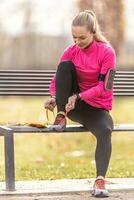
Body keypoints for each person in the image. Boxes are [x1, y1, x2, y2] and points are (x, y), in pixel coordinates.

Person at [44, 10, 116, 198]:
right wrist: (54, 96)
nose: (77, 42)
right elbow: (57, 79)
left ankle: (100, 181)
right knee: (65, 66)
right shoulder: (70, 51)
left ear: (93, 32)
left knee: (106, 130)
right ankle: (60, 117)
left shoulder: (107, 52)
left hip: (96, 107)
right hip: (72, 107)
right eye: (74, 37)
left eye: (82, 37)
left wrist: (80, 96)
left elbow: (104, 88)